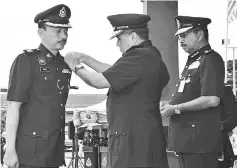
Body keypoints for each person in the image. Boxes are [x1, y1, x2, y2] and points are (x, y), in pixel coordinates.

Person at [64, 14, 170, 168]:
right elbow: (113, 72)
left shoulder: (139, 57)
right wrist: (85, 58)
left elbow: (98, 81)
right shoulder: (147, 55)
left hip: (133, 139)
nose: (117, 44)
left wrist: (75, 66)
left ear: (133, 37)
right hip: (138, 136)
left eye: (119, 39)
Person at [3, 4, 72, 168]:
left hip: (54, 151)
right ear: (41, 33)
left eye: (66, 31)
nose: (63, 35)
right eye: (57, 31)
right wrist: (10, 149)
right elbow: (13, 105)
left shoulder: (65, 65)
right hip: (30, 153)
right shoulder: (27, 60)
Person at [160, 16, 225, 168]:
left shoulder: (210, 59)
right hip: (188, 141)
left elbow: (211, 99)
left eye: (184, 35)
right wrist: (171, 103)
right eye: (179, 37)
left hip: (199, 142)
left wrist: (175, 109)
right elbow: (191, 94)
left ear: (200, 34)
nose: (180, 41)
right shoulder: (193, 60)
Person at [219, 85, 237, 168]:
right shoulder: (192, 90)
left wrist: (215, 127)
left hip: (219, 146)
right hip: (191, 146)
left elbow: (233, 118)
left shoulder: (224, 90)